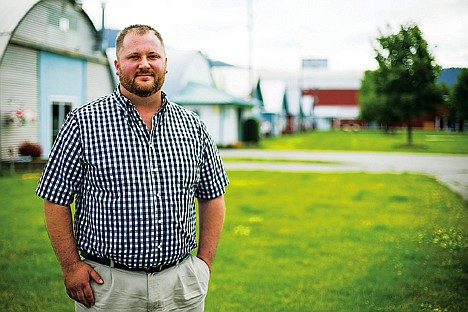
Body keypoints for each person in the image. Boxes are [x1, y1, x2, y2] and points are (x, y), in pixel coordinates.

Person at [36, 24, 229, 311]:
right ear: (117, 65)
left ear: (166, 64)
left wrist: (204, 264)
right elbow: (54, 199)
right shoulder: (83, 122)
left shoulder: (193, 126)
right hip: (108, 287)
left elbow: (213, 196)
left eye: (153, 55)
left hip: (181, 285)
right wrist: (70, 265)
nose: (144, 64)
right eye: (133, 56)